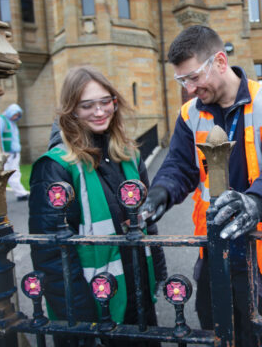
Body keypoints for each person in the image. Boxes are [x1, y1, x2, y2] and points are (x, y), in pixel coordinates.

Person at [140, 25, 262, 347]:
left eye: (193, 77)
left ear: (219, 61)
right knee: (217, 335)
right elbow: (178, 165)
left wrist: (256, 201)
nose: (189, 89)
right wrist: (160, 192)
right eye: (182, 81)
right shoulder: (191, 114)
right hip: (214, 247)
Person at [28, 66, 166, 347]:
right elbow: (50, 254)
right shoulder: (55, 167)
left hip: (137, 293)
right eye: (87, 105)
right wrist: (80, 318)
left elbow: (145, 221)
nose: (100, 111)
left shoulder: (129, 157)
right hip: (90, 304)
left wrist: (158, 270)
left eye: (106, 102)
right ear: (71, 110)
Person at [0, 103, 30, 201]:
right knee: (7, 173)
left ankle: (20, 193)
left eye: (18, 115)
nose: (16, 117)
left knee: (15, 173)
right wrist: (2, 152)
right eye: (15, 114)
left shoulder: (12, 122)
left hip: (14, 153)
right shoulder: (2, 120)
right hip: (7, 154)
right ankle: (18, 194)